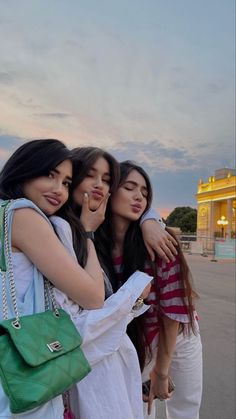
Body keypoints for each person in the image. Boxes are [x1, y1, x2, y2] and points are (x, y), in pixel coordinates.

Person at [0, 139, 105, 419]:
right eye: (50, 175)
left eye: (67, 182)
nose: (59, 190)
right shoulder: (22, 214)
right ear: (24, 170)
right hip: (22, 361)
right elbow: (93, 297)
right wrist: (88, 233)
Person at [101, 160, 202, 419]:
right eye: (130, 188)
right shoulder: (97, 245)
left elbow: (172, 312)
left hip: (178, 331)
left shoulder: (159, 241)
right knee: (140, 408)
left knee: (184, 408)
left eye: (145, 192)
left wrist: (162, 371)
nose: (139, 197)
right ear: (111, 191)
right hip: (138, 338)